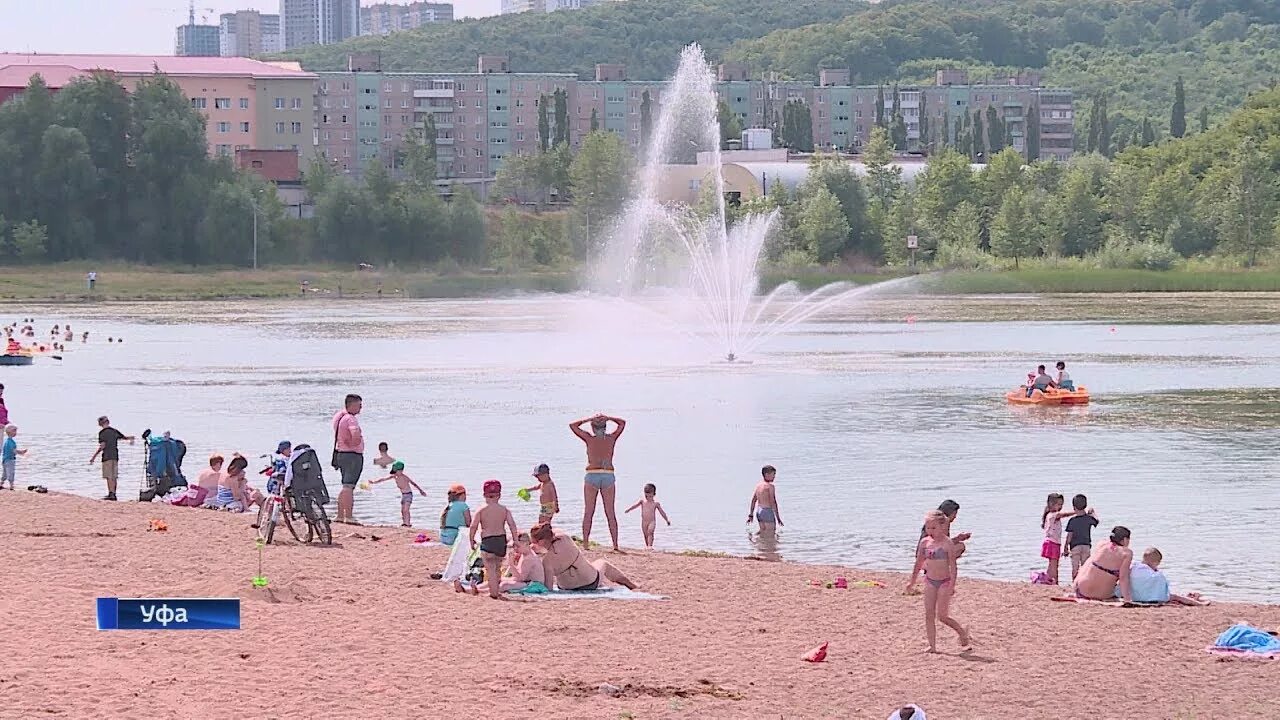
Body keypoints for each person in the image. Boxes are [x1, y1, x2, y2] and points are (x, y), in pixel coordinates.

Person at [914, 510, 972, 653]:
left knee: (942, 616)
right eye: (928, 528)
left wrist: (952, 585)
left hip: (944, 582)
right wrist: (912, 581)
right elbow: (919, 562)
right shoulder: (925, 542)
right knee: (929, 613)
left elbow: (953, 566)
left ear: (942, 527)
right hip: (930, 580)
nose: (930, 531)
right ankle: (932, 646)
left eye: (933, 528)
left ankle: (962, 633)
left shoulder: (947, 544)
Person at [570, 413, 627, 552]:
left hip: (592, 474)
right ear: (605, 427)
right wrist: (609, 417)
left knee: (589, 511)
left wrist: (588, 419)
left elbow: (573, 426)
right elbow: (622, 423)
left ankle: (586, 544)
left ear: (593, 428)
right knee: (610, 512)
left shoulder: (589, 439)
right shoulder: (611, 438)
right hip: (607, 474)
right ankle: (615, 545)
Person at [530, 522, 637, 591]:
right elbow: (553, 535)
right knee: (602, 563)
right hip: (590, 582)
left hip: (567, 587)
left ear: (541, 542)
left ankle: (623, 584)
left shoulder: (547, 562)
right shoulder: (565, 538)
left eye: (533, 542)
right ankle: (631, 585)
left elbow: (548, 588)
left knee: (598, 565)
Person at [460, 479, 519, 600]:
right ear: (499, 495)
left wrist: (471, 540)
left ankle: (493, 593)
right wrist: (515, 540)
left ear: (484, 495)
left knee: (490, 568)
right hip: (501, 540)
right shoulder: (504, 509)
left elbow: (473, 526)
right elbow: (512, 525)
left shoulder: (482, 510)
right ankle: (495, 590)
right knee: (497, 568)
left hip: (488, 541)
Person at [1127, 547, 1209, 606]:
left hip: (1135, 597)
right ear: (1156, 562)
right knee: (1176, 597)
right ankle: (1200, 604)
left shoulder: (1134, 567)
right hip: (1151, 598)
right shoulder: (1155, 574)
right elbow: (1161, 583)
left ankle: (1192, 597)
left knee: (1174, 595)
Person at [1073, 526, 1134, 603]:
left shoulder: (1101, 544)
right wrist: (1127, 599)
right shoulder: (1126, 553)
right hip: (1102, 595)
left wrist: (1075, 583)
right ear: (1125, 539)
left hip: (1082, 590)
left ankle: (1076, 584)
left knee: (1091, 562)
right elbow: (1123, 578)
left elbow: (1087, 565)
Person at [1040, 493, 1089, 585]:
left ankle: (1049, 579)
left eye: (1061, 504)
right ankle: (1055, 581)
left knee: (1052, 564)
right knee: (1054, 564)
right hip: (1052, 543)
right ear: (1051, 504)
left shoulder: (1051, 515)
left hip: (1052, 542)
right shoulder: (1052, 515)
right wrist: (1077, 512)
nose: (1060, 506)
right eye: (1058, 504)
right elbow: (1063, 514)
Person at [331, 393, 365, 525]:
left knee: (345, 485)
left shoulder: (339, 417)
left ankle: (340, 515)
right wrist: (356, 442)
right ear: (351, 405)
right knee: (349, 486)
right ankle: (349, 516)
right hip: (352, 455)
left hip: (341, 454)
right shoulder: (350, 419)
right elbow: (355, 434)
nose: (361, 408)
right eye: (359, 405)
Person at [89, 415, 134, 501]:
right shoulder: (114, 431)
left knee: (109, 476)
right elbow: (124, 437)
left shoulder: (102, 433)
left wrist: (93, 457)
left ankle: (111, 494)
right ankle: (114, 493)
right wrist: (131, 438)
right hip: (115, 456)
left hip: (107, 456)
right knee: (114, 476)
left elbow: (102, 446)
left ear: (100, 424)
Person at [370, 460, 427, 528]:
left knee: (406, 510)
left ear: (401, 470)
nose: (396, 472)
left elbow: (414, 484)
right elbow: (383, 479)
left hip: (408, 494)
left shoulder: (405, 477)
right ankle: (404, 523)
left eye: (397, 471)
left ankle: (408, 523)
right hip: (403, 495)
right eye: (395, 471)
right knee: (402, 510)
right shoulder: (394, 476)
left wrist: (421, 491)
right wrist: (374, 482)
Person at [1063, 494, 1099, 580]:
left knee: (1075, 568)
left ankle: (1075, 584)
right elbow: (1096, 521)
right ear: (1085, 505)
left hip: (1075, 546)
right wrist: (1093, 513)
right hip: (1086, 545)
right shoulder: (1088, 518)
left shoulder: (1072, 521)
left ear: (1074, 507)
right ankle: (1084, 585)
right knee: (1086, 567)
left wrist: (1065, 547)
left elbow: (1069, 535)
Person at [625, 483, 671, 549]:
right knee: (645, 534)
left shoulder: (655, 504)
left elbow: (662, 512)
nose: (648, 498)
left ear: (654, 494)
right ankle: (647, 546)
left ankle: (650, 546)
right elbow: (635, 506)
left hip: (652, 521)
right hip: (644, 522)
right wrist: (629, 510)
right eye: (646, 496)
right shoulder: (642, 501)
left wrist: (666, 520)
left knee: (650, 532)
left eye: (650, 496)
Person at [747, 465, 782, 537]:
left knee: (763, 532)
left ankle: (755, 543)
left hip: (759, 511)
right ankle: (766, 547)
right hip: (767, 511)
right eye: (773, 474)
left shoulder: (758, 486)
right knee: (771, 534)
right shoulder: (770, 486)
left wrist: (751, 514)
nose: (774, 477)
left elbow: (753, 500)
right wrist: (778, 518)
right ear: (766, 474)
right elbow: (773, 502)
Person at [2, 424, 27, 491]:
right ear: (10, 432)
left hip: (5, 459)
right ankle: (11, 485)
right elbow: (13, 451)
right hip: (9, 460)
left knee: (5, 473)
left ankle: (1, 483)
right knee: (11, 472)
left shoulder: (7, 441)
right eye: (14, 431)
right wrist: (21, 452)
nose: (16, 433)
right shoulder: (10, 442)